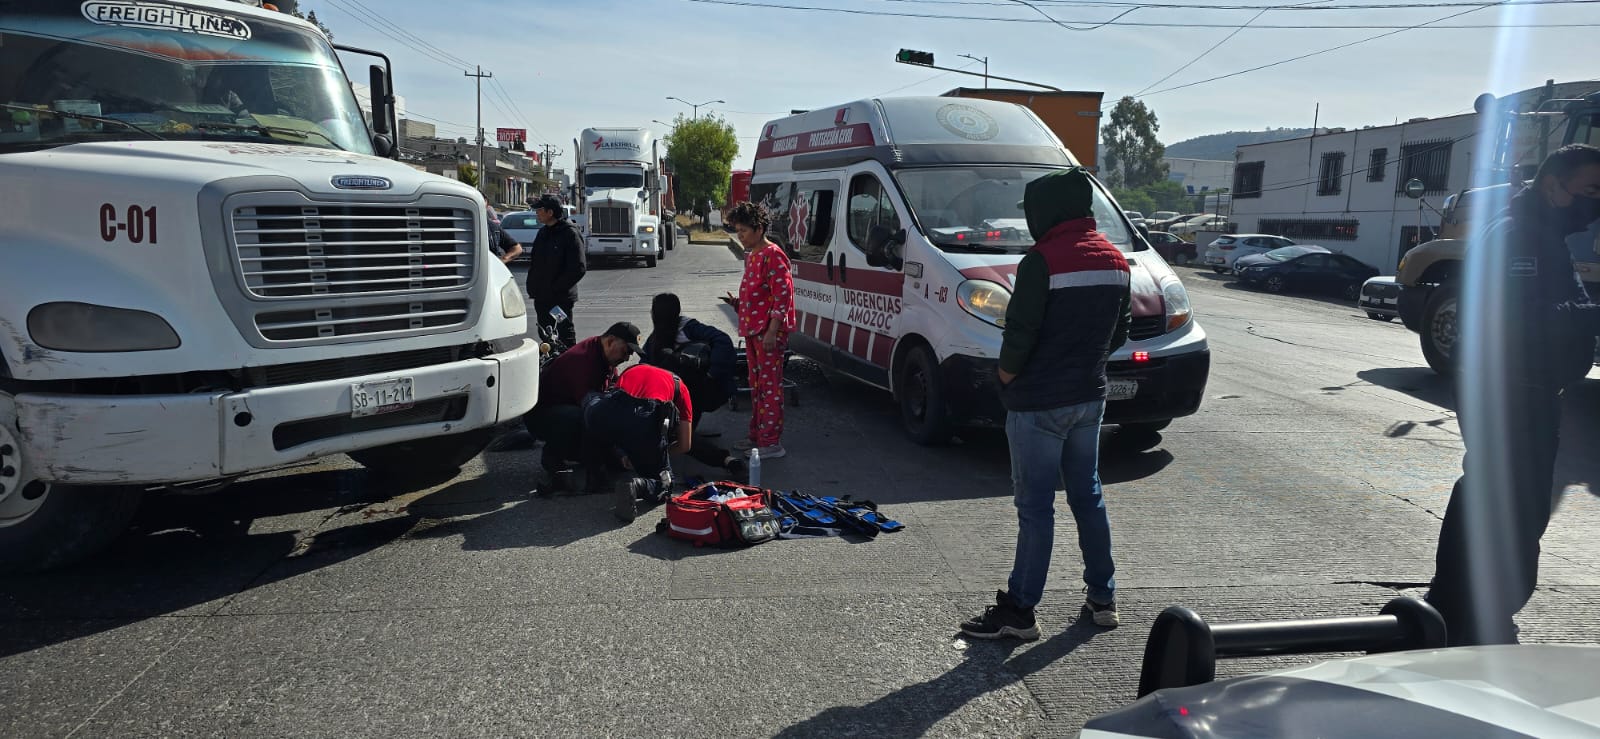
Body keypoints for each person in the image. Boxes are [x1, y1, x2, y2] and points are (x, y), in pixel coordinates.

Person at [1426, 144, 1600, 646]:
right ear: (1553, 186)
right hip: (1510, 388)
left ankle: (1466, 604)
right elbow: (1529, 317)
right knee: (1507, 500)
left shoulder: (1539, 232)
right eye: (1590, 191)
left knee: (1507, 496)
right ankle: (1466, 608)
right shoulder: (1520, 236)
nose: (1596, 203)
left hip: (1526, 387)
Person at [960, 167, 1132, 641]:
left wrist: (1004, 375)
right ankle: (1103, 596)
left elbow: (1021, 332)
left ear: (1047, 211)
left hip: (1038, 401)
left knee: (1035, 508)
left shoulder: (1041, 261)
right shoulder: (1116, 261)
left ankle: (1020, 611)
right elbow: (1121, 331)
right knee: (1088, 496)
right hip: (1088, 397)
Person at [524, 322, 640, 492]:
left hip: (567, 409)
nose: (628, 358)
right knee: (584, 419)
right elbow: (593, 414)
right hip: (543, 416)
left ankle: (577, 454)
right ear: (610, 341)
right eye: (626, 351)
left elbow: (613, 393)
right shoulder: (583, 360)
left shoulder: (604, 356)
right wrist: (599, 472)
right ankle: (552, 457)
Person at [642, 292, 746, 475]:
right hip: (681, 394)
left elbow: (722, 340)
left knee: (677, 435)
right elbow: (645, 363)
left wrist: (712, 373)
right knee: (676, 434)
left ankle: (724, 459)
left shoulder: (688, 327)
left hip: (703, 389)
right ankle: (726, 459)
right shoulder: (655, 339)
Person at [726, 201, 795, 460]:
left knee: (769, 387)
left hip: (768, 334)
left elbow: (782, 296)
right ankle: (757, 436)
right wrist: (739, 304)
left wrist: (772, 331)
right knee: (756, 386)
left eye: (743, 230)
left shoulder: (773, 255)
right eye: (738, 231)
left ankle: (771, 442)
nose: (739, 236)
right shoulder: (753, 255)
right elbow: (760, 295)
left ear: (758, 229)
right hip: (754, 330)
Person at [584, 362, 694, 522]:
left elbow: (621, 417)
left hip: (605, 414)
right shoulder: (681, 389)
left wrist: (624, 452)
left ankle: (594, 471)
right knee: (666, 485)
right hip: (646, 420)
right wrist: (652, 454)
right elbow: (685, 445)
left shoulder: (634, 369)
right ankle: (637, 486)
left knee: (592, 401)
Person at [526, 194, 585, 347]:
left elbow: (578, 267)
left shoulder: (569, 233)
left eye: (539, 210)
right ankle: (551, 364)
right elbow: (536, 263)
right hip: (542, 298)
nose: (537, 213)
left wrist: (556, 288)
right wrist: (533, 286)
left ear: (550, 212)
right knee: (545, 333)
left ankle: (569, 363)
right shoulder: (543, 232)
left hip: (559, 300)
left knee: (564, 331)